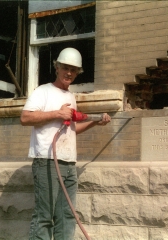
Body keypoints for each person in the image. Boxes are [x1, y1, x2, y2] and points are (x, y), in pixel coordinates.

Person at [20, 47, 111, 240]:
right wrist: (56, 113)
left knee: (66, 215)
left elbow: (70, 130)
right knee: (44, 216)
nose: (69, 73)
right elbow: (25, 118)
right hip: (47, 160)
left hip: (68, 163)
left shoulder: (70, 97)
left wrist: (95, 122)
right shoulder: (42, 91)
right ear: (57, 67)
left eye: (74, 70)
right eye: (65, 68)